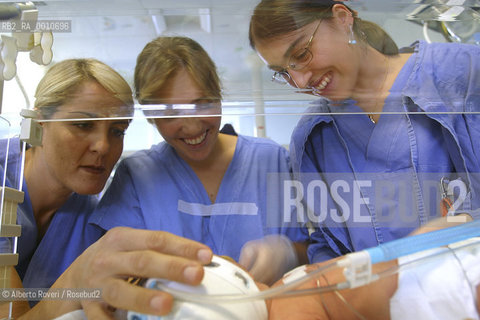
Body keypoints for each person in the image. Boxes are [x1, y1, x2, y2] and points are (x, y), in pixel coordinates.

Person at [248, 0, 480, 263]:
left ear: (342, 18)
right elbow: (327, 247)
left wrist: (464, 226)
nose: (300, 82)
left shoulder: (464, 75)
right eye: (283, 72)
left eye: (301, 55)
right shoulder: (313, 136)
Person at [0, 58, 214, 319]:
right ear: (39, 120)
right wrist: (75, 281)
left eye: (117, 131)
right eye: (83, 125)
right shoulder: (4, 186)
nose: (103, 146)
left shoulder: (93, 216)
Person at [89, 36, 310, 286]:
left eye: (202, 104)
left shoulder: (271, 161)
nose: (192, 126)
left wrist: (290, 253)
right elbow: (113, 272)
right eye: (171, 113)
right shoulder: (138, 176)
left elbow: (318, 252)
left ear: (218, 95)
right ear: (151, 117)